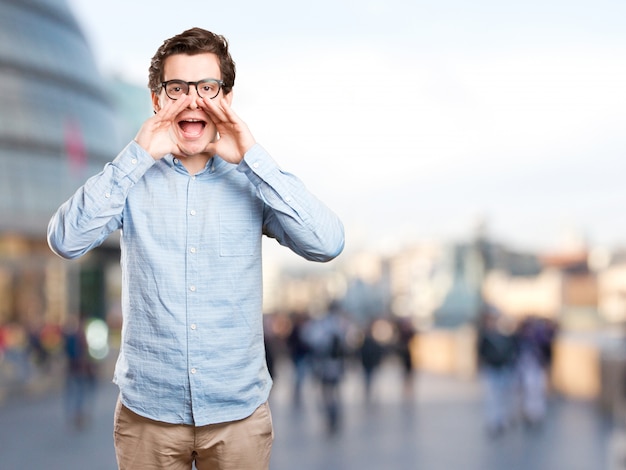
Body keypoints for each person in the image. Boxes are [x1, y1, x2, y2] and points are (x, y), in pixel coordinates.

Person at [47, 27, 345, 470]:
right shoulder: (130, 180)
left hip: (237, 418)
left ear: (226, 98)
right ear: (156, 99)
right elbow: (64, 240)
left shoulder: (252, 180)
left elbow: (328, 243)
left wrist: (251, 157)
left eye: (207, 88)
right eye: (177, 88)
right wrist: (137, 156)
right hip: (147, 415)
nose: (193, 101)